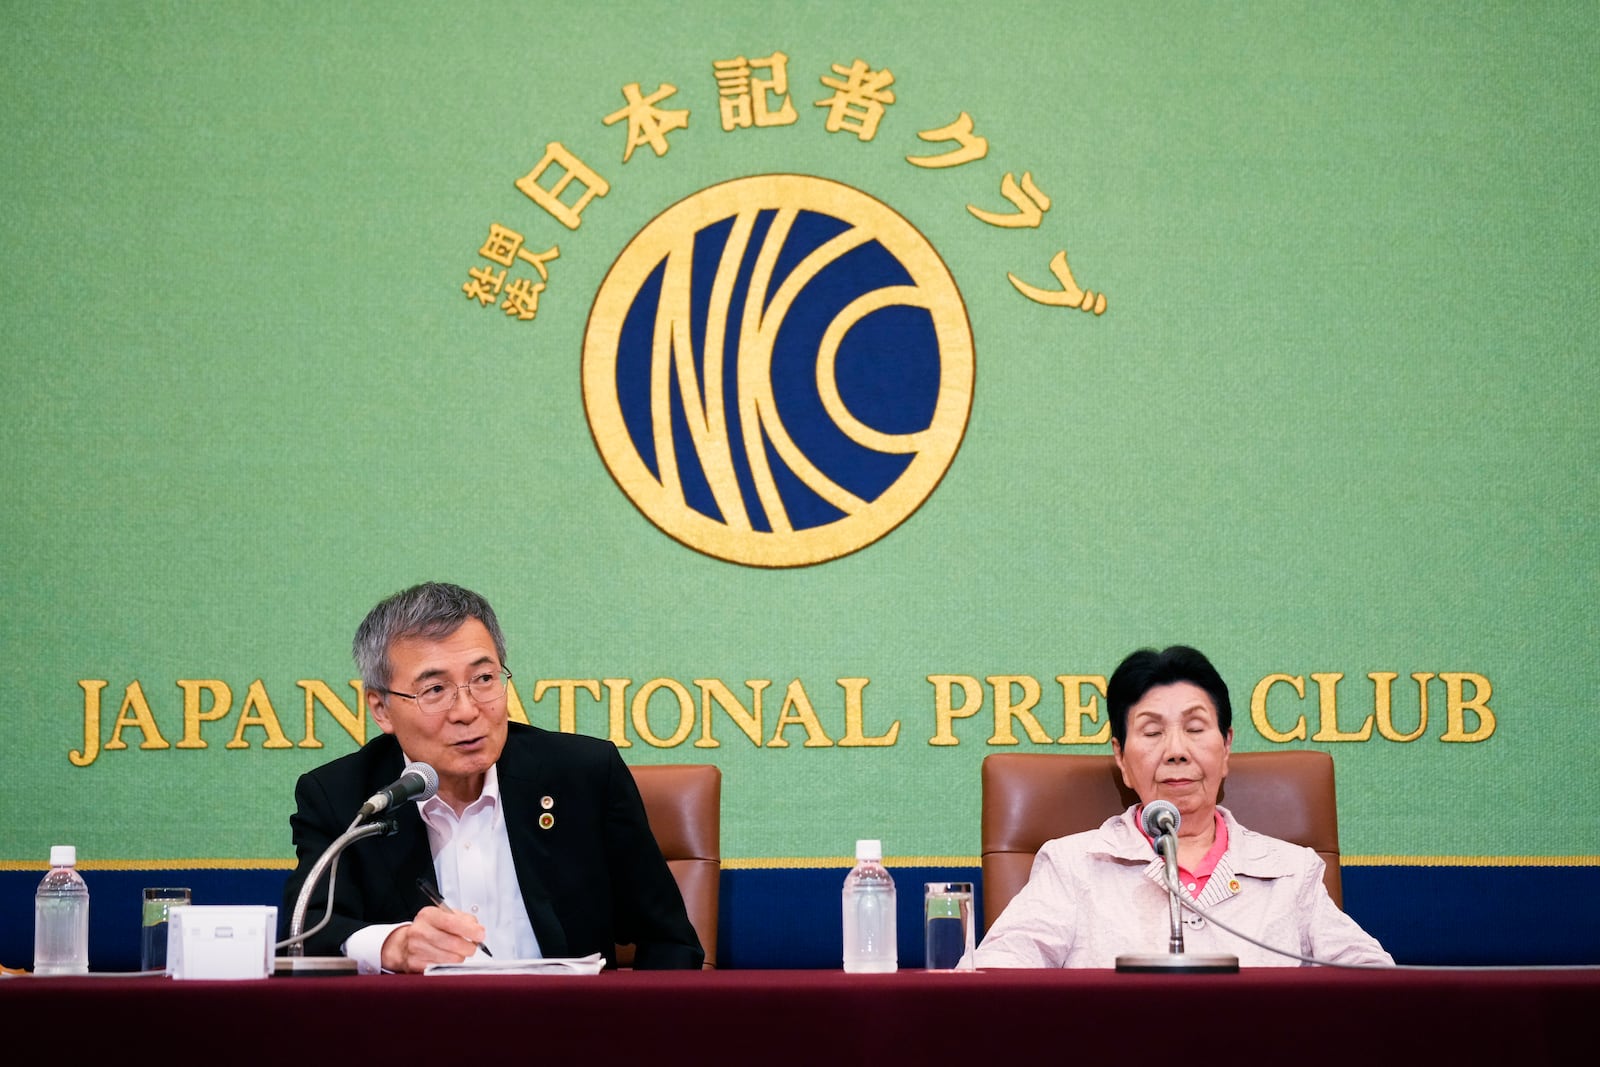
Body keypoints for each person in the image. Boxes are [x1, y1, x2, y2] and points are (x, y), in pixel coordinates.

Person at [280, 581, 703, 972]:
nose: (467, 711)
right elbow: (306, 932)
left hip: (571, 1036)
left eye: (483, 679)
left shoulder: (583, 776)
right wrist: (394, 945)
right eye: (435, 690)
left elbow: (669, 940)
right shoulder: (345, 798)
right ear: (381, 709)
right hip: (419, 1043)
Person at [973, 645, 1393, 968]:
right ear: (1121, 757)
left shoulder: (1292, 872)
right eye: (1152, 732)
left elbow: (1380, 990)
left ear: (1226, 746)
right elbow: (994, 978)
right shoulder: (1072, 866)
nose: (1176, 751)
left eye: (1195, 728)